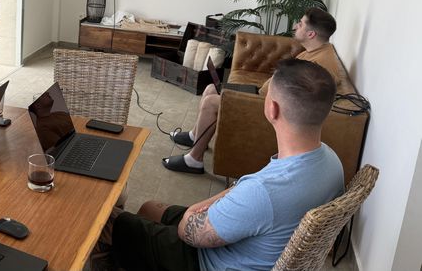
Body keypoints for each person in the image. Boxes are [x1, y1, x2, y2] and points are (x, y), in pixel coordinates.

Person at [110, 59, 344, 271]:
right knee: (149, 208)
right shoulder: (332, 161)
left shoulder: (261, 192)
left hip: (207, 261)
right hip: (252, 245)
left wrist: (195, 211)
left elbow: (189, 232)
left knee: (115, 223)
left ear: (272, 109)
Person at [165, 7, 342, 174]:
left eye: (301, 24)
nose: (296, 26)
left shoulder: (320, 64)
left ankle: (194, 160)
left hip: (264, 107)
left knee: (211, 102)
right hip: (260, 95)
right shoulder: (314, 50)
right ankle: (195, 136)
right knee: (211, 88)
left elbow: (295, 104)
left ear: (311, 34)